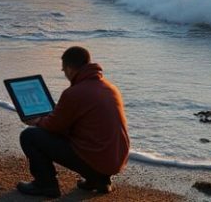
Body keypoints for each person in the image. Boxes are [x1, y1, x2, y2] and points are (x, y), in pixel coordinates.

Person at [17, 46, 130, 197]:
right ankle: (100, 180)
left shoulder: (74, 93)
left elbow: (54, 127)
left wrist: (37, 121)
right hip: (114, 161)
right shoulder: (110, 88)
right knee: (79, 133)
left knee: (29, 136)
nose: (65, 74)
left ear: (69, 69)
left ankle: (45, 185)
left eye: (63, 70)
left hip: (97, 160)